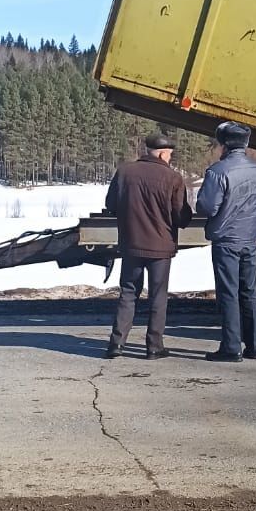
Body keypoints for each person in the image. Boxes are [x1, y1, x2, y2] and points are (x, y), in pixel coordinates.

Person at [105, 131, 192, 359]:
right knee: (158, 296)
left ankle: (116, 344)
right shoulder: (173, 178)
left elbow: (111, 204)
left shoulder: (125, 171)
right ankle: (154, 346)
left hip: (131, 244)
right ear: (163, 154)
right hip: (160, 247)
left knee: (128, 292)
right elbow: (181, 216)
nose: (170, 159)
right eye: (170, 155)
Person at [196, 121, 256, 362]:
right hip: (250, 237)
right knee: (250, 291)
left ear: (224, 145)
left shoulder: (219, 171)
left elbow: (207, 207)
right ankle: (254, 346)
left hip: (227, 239)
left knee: (229, 293)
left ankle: (231, 347)